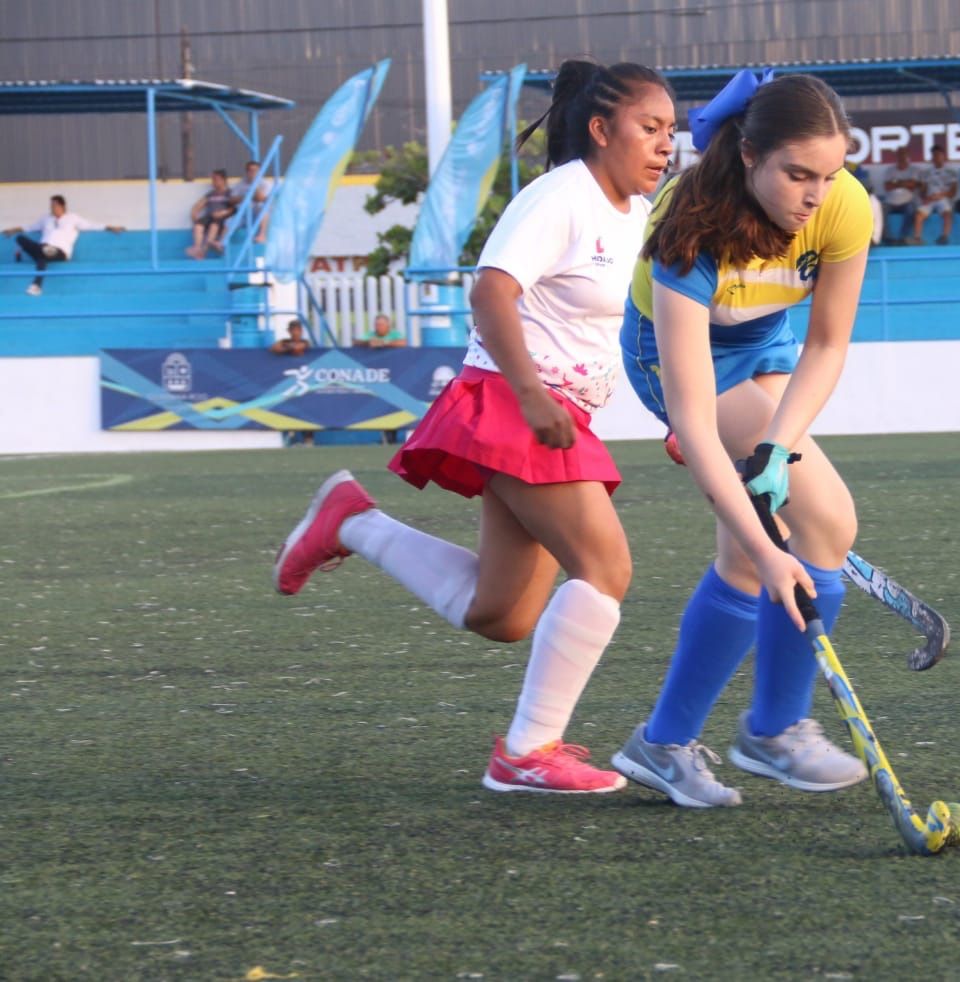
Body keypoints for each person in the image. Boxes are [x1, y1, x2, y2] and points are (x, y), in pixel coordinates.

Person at [273, 60, 676, 795]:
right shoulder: (560, 197)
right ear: (599, 129)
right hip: (511, 404)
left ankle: (351, 522)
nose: (664, 145)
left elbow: (640, 328)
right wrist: (529, 395)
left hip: (552, 415)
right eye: (650, 128)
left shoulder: (636, 216)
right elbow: (490, 292)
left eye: (670, 132)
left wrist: (676, 415)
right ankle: (527, 751)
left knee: (502, 613)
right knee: (606, 568)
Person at [610, 70, 873, 807]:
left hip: (767, 339)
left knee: (759, 547)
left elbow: (826, 347)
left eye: (830, 173)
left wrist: (777, 448)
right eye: (797, 175)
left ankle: (662, 744)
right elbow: (693, 420)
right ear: (749, 155)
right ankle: (776, 729)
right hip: (672, 354)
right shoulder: (688, 226)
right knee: (822, 523)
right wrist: (768, 542)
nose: (816, 195)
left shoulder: (844, 204)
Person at [3, 195, 123, 296]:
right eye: (51, 206)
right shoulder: (46, 218)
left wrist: (111, 227)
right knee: (21, 239)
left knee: (42, 253)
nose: (52, 208)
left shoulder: (73, 218)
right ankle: (36, 286)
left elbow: (92, 225)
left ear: (62, 206)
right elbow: (30, 227)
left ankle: (30, 260)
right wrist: (13, 230)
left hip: (60, 252)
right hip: (43, 248)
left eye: (54, 205)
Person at [910, 144, 958, 245]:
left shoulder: (951, 171)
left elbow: (953, 192)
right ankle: (917, 238)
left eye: (938, 155)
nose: (936, 157)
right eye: (934, 155)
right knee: (919, 215)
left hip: (943, 198)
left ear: (943, 156)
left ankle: (944, 237)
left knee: (947, 214)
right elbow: (923, 190)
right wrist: (924, 196)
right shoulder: (926, 172)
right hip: (930, 199)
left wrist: (940, 195)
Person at [187, 169, 235, 259]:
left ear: (223, 180)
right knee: (198, 225)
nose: (213, 182)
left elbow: (233, 209)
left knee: (214, 226)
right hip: (209, 217)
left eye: (216, 179)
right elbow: (198, 205)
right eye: (212, 179)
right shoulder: (211, 194)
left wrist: (222, 213)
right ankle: (197, 248)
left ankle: (203, 252)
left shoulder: (230, 193)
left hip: (221, 219)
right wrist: (194, 214)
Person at [880, 146, 918, 244]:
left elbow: (913, 185)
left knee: (911, 209)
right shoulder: (890, 170)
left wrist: (895, 182)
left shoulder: (913, 170)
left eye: (903, 154)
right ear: (896, 156)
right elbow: (887, 186)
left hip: (907, 201)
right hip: (890, 201)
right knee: (881, 209)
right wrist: (905, 182)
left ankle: (903, 237)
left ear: (907, 156)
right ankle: (887, 237)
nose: (901, 156)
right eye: (899, 154)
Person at [231, 160, 272, 243]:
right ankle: (222, 242)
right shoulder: (241, 183)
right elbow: (232, 200)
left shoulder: (265, 183)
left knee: (262, 207)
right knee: (229, 220)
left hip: (257, 213)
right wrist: (246, 197)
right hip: (244, 213)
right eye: (250, 170)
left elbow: (261, 198)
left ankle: (262, 235)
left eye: (255, 170)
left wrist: (254, 184)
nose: (252, 172)